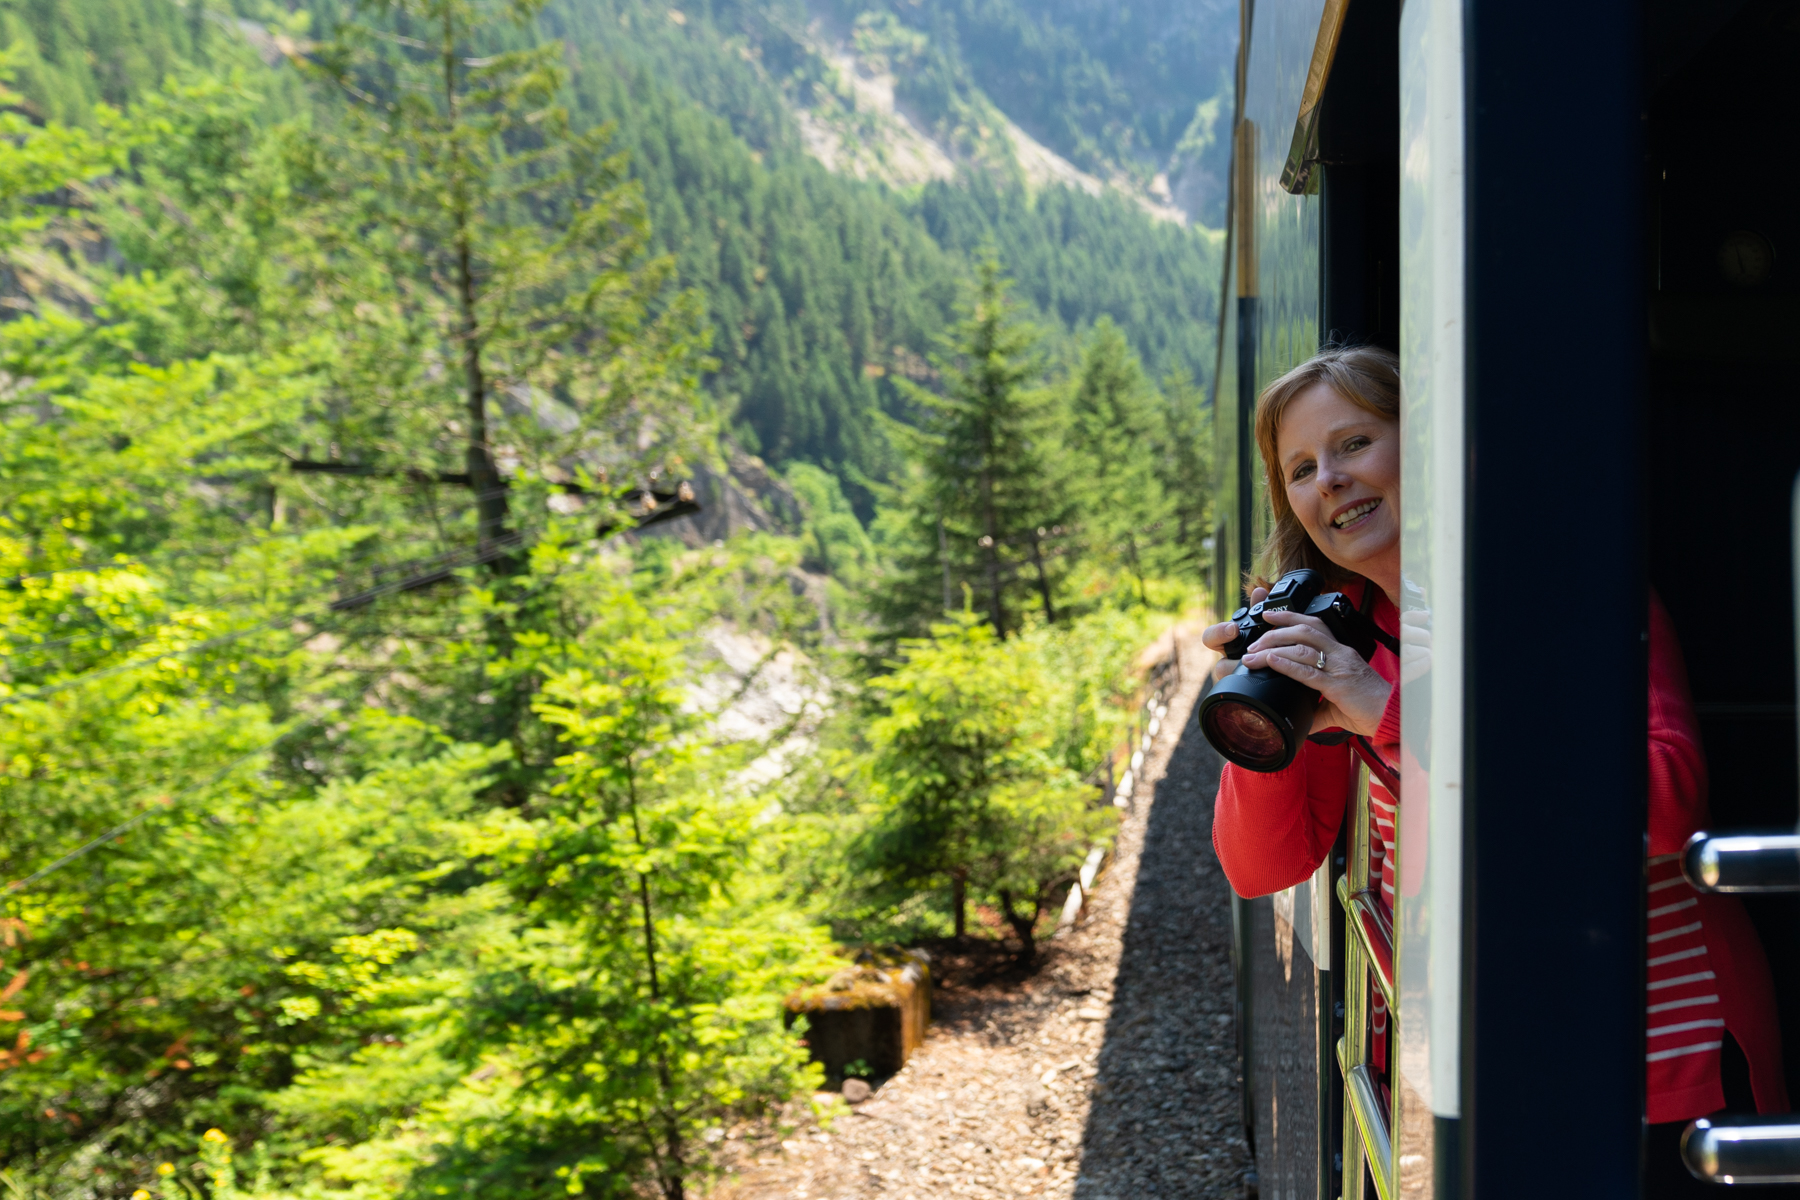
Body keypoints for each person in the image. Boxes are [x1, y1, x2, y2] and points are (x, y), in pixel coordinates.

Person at [1203, 346, 1789, 1176]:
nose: (1328, 478)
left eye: (1355, 444)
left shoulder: (1565, 590)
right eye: (1300, 467)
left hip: (1655, 1059)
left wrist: (1393, 714)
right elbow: (1264, 865)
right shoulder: (1340, 639)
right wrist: (1259, 706)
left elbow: (1669, 803)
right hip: (1479, 1071)